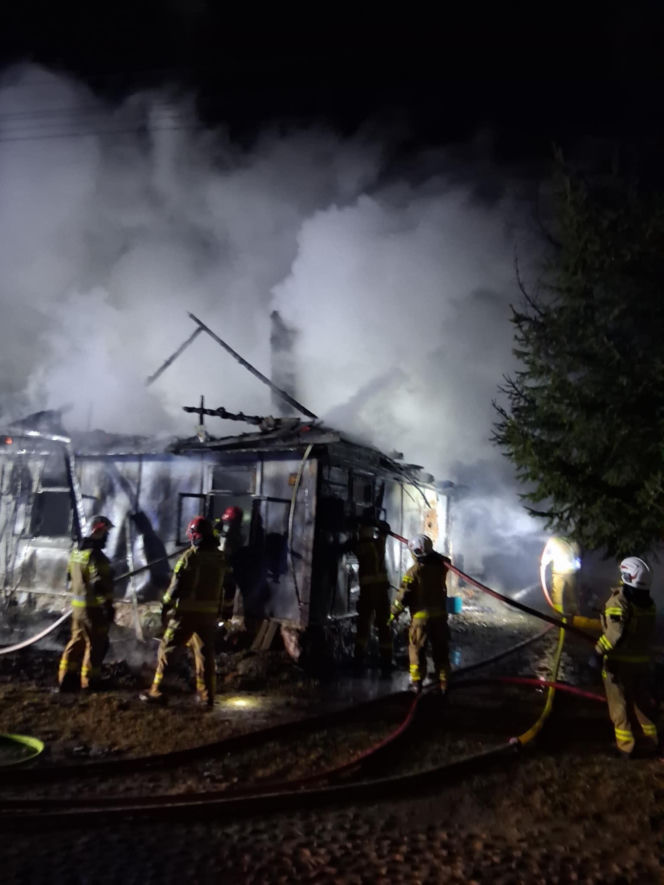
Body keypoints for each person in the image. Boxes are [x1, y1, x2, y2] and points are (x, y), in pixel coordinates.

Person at [140, 516, 226, 709]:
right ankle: (207, 697)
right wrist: (224, 612)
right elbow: (227, 588)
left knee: (167, 649)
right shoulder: (220, 558)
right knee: (205, 654)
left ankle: (157, 691)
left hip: (186, 614)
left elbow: (175, 586)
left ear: (196, 536)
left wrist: (165, 606)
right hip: (209, 616)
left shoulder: (190, 557)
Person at [588, 556, 658, 758]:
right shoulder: (649, 604)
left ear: (627, 576)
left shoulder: (619, 601)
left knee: (619, 707)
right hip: (642, 664)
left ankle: (625, 746)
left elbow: (614, 634)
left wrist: (597, 653)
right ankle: (653, 740)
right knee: (642, 704)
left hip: (618, 664)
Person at [57, 515, 115, 692]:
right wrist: (107, 605)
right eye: (106, 533)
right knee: (95, 644)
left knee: (77, 641)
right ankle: (90, 681)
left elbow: (69, 577)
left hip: (77, 608)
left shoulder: (76, 553)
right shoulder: (95, 556)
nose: (107, 537)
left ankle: (66, 678)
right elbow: (98, 583)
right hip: (93, 609)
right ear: (97, 531)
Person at [390, 534, 451, 694]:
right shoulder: (440, 567)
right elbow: (447, 561)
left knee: (416, 649)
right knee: (441, 649)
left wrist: (392, 614)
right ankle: (444, 681)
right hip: (439, 618)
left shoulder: (413, 572)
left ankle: (417, 683)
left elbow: (403, 597)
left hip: (420, 619)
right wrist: (434, 554)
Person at [352, 513, 393, 672]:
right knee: (381, 625)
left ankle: (360, 657)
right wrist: (379, 525)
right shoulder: (370, 545)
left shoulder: (367, 545)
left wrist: (379, 525)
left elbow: (384, 532)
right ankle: (385, 659)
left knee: (366, 625)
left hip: (370, 593)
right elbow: (384, 532)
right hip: (377, 593)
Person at [214, 505, 245, 622]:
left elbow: (228, 550)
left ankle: (223, 620)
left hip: (228, 571)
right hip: (221, 570)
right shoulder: (224, 533)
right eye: (227, 522)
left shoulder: (236, 536)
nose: (228, 526)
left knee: (227, 597)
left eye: (230, 522)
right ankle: (220, 619)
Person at [541, 535, 581, 615]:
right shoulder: (573, 541)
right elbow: (577, 555)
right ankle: (574, 613)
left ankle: (558, 615)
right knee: (571, 594)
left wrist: (544, 562)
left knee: (557, 595)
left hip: (559, 572)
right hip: (570, 571)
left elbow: (548, 555)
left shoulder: (553, 541)